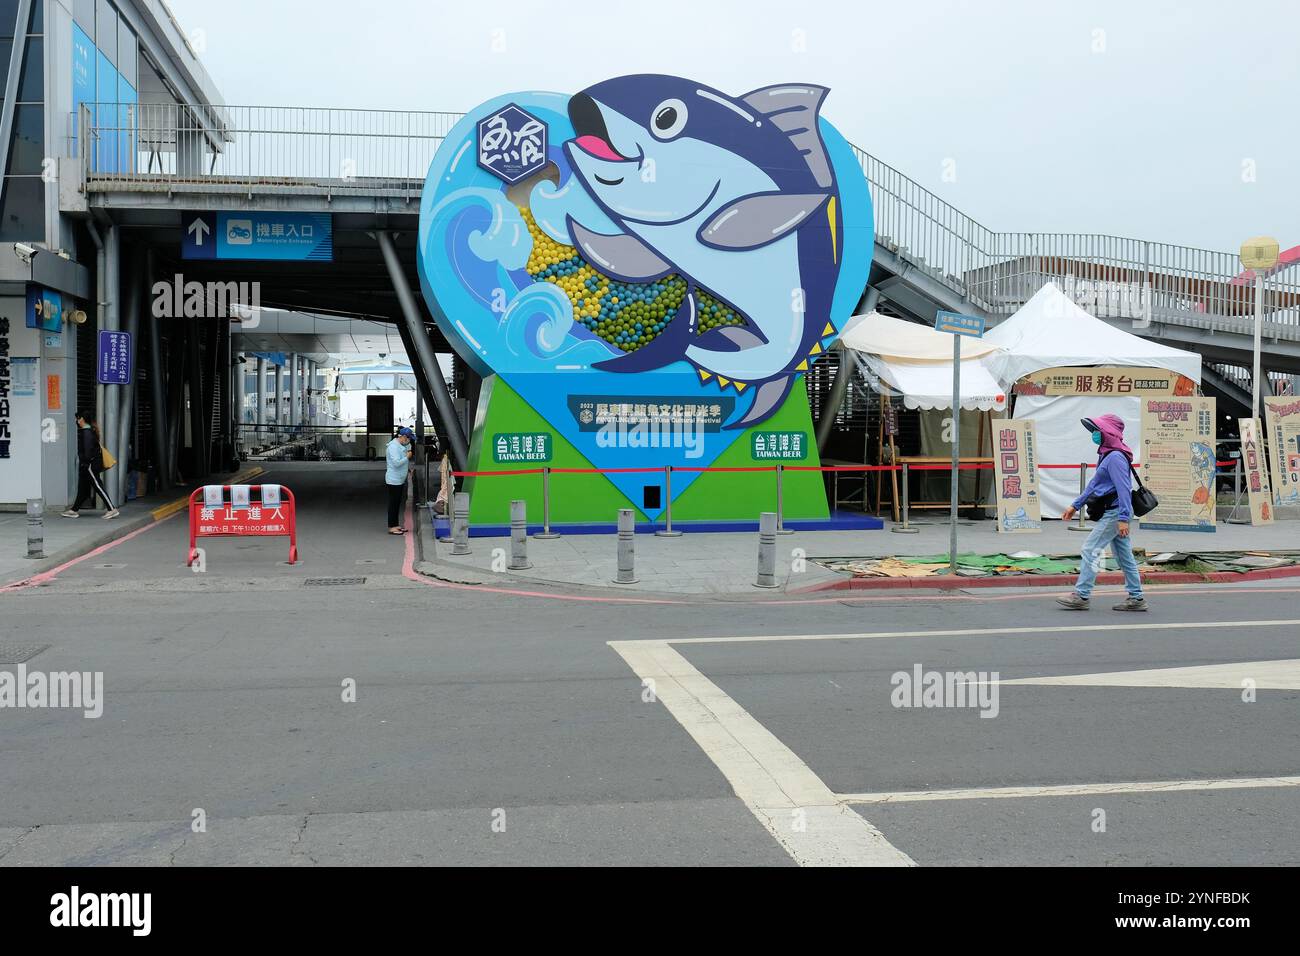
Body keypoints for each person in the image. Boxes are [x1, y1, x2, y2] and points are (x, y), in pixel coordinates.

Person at [1056, 414, 1147, 612]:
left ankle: (1082, 595)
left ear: (1108, 432)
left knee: (1090, 549)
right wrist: (1075, 505)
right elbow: (1094, 485)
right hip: (1114, 512)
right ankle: (1136, 598)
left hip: (1115, 513)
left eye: (1097, 430)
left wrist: (1123, 518)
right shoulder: (1107, 454)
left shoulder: (1114, 457)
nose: (1094, 434)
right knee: (1124, 556)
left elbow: (1124, 489)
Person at [62, 411, 119, 519]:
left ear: (82, 419)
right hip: (87, 465)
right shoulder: (88, 430)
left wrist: (85, 463)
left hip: (89, 465)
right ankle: (74, 510)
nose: (76, 420)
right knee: (83, 488)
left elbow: (88, 452)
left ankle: (112, 509)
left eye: (78, 418)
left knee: (97, 485)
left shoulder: (86, 432)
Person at [385, 427, 415, 534]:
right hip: (393, 480)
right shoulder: (393, 447)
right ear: (403, 437)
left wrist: (407, 469)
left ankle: (395, 525)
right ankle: (392, 527)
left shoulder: (400, 446)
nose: (409, 441)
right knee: (393, 504)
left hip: (399, 479)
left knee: (397, 503)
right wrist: (407, 457)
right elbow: (396, 463)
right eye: (409, 439)